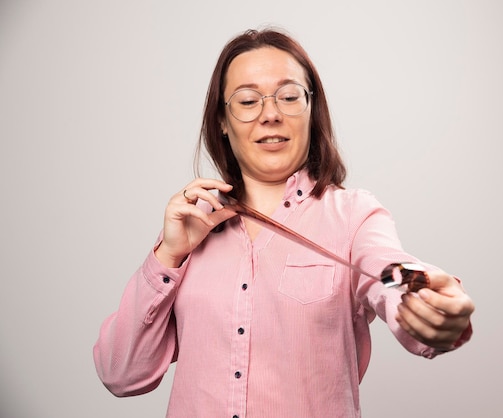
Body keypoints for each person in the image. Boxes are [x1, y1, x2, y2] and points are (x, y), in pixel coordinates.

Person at [93, 28, 475, 418]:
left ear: (311, 110)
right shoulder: (191, 228)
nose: (270, 113)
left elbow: (385, 268)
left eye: (289, 97)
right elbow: (121, 374)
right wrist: (168, 255)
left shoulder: (353, 215)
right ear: (222, 122)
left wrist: (422, 290)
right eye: (247, 100)